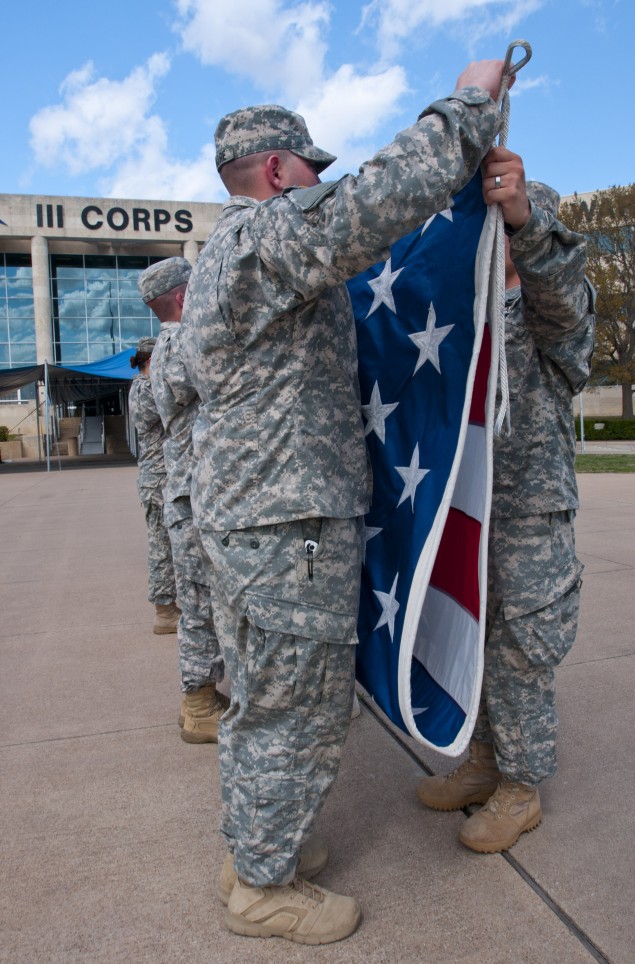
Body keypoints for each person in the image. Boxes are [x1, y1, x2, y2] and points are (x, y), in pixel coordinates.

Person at [180, 60, 509, 945]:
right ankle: (262, 885)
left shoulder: (223, 257)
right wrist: (469, 107)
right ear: (280, 172)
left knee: (257, 697)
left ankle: (256, 842)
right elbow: (375, 203)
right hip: (285, 530)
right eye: (311, 170)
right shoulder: (265, 238)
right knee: (297, 707)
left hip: (256, 523)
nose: (321, 182)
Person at [416, 147, 596, 854]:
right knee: (476, 640)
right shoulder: (469, 313)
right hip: (472, 508)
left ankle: (522, 786)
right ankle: (485, 759)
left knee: (523, 648)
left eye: (510, 229)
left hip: (528, 513)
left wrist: (525, 223)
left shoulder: (558, 305)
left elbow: (560, 301)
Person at [137, 258, 227, 744]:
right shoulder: (181, 343)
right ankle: (197, 706)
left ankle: (203, 697)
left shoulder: (168, 344)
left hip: (188, 491)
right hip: (193, 496)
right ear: (180, 296)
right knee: (198, 604)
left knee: (201, 601)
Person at [128, 337, 180, 635]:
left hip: (158, 478)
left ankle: (169, 605)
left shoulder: (141, 388)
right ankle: (163, 611)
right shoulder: (146, 390)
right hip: (158, 479)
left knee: (167, 543)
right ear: (152, 359)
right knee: (161, 546)